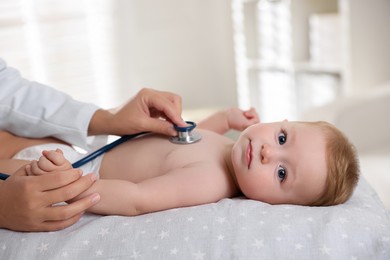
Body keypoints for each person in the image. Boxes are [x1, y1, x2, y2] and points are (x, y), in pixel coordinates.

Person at [1, 107, 360, 218]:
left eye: (281, 173)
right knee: (15, 136)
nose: (269, 152)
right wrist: (226, 118)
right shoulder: (231, 147)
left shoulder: (210, 181)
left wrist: (76, 187)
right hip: (90, 148)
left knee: (18, 170)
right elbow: (195, 137)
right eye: (282, 138)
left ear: (274, 205)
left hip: (82, 171)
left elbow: (139, 196)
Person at [0, 58, 186, 231]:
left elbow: (5, 87)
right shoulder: (209, 173)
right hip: (50, 170)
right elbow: (139, 199)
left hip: (55, 158)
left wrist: (107, 119)